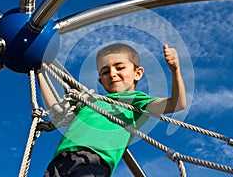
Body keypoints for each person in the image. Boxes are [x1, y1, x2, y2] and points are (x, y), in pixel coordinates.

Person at [38, 43, 186, 177]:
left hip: (93, 159)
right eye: (105, 72)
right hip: (59, 161)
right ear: (100, 81)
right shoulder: (90, 102)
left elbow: (177, 104)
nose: (113, 74)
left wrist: (175, 70)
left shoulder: (135, 100)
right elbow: (56, 108)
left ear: (138, 73)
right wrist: (39, 72)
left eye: (120, 67)